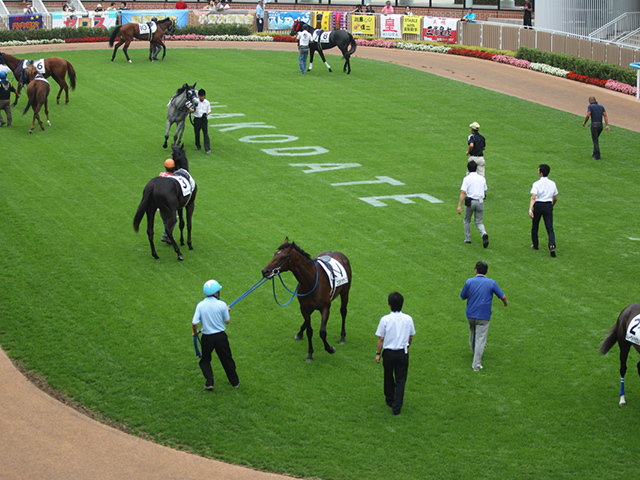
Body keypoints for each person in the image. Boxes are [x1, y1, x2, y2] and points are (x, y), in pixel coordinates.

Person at [192, 279, 240, 391]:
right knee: (227, 359)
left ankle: (209, 382)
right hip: (221, 337)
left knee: (205, 360)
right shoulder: (222, 304)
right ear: (215, 293)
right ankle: (235, 382)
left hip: (207, 338)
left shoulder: (200, 305)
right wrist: (226, 311)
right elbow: (227, 321)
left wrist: (195, 333)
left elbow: (194, 323)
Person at [460, 261, 508, 371]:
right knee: (480, 339)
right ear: (486, 271)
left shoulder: (469, 282)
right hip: (483, 316)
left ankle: (475, 352)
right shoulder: (491, 283)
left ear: (476, 270)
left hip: (470, 314)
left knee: (473, 333)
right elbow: (502, 296)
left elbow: (462, 296)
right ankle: (476, 365)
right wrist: (505, 302)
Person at [375, 292, 415, 416]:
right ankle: (397, 406)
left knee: (388, 376)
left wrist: (378, 353)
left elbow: (381, 338)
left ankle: (390, 399)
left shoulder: (385, 319)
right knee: (401, 380)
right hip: (402, 352)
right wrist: (407, 346)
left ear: (390, 305)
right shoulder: (408, 319)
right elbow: (410, 337)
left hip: (388, 353)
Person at [457, 160, 489, 248]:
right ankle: (484, 234)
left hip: (470, 201)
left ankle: (468, 238)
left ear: (468, 168)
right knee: (478, 221)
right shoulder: (482, 178)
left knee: (467, 220)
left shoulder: (467, 179)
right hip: (480, 201)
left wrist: (459, 205)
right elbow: (484, 191)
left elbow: (463, 192)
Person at [529, 164, 558, 257]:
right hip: (548, 205)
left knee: (535, 226)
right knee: (549, 227)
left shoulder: (536, 184)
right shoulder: (552, 183)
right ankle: (552, 244)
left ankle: (535, 245)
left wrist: (530, 209)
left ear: (541, 172)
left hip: (538, 205)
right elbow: (555, 197)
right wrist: (552, 205)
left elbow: (533, 197)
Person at [582, 96, 609, 160]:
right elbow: (605, 115)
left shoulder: (590, 107)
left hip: (594, 125)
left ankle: (597, 156)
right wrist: (607, 125)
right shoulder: (601, 107)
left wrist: (585, 122)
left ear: (590, 101)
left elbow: (588, 115)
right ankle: (594, 153)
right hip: (600, 126)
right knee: (596, 139)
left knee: (595, 141)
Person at [193, 88, 212, 154]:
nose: (201, 97)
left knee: (205, 134)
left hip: (203, 119)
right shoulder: (195, 101)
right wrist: (189, 108)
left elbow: (209, 110)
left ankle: (207, 148)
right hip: (197, 119)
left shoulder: (207, 102)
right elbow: (193, 110)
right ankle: (198, 145)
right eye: (200, 96)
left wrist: (207, 113)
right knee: (197, 133)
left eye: (202, 96)